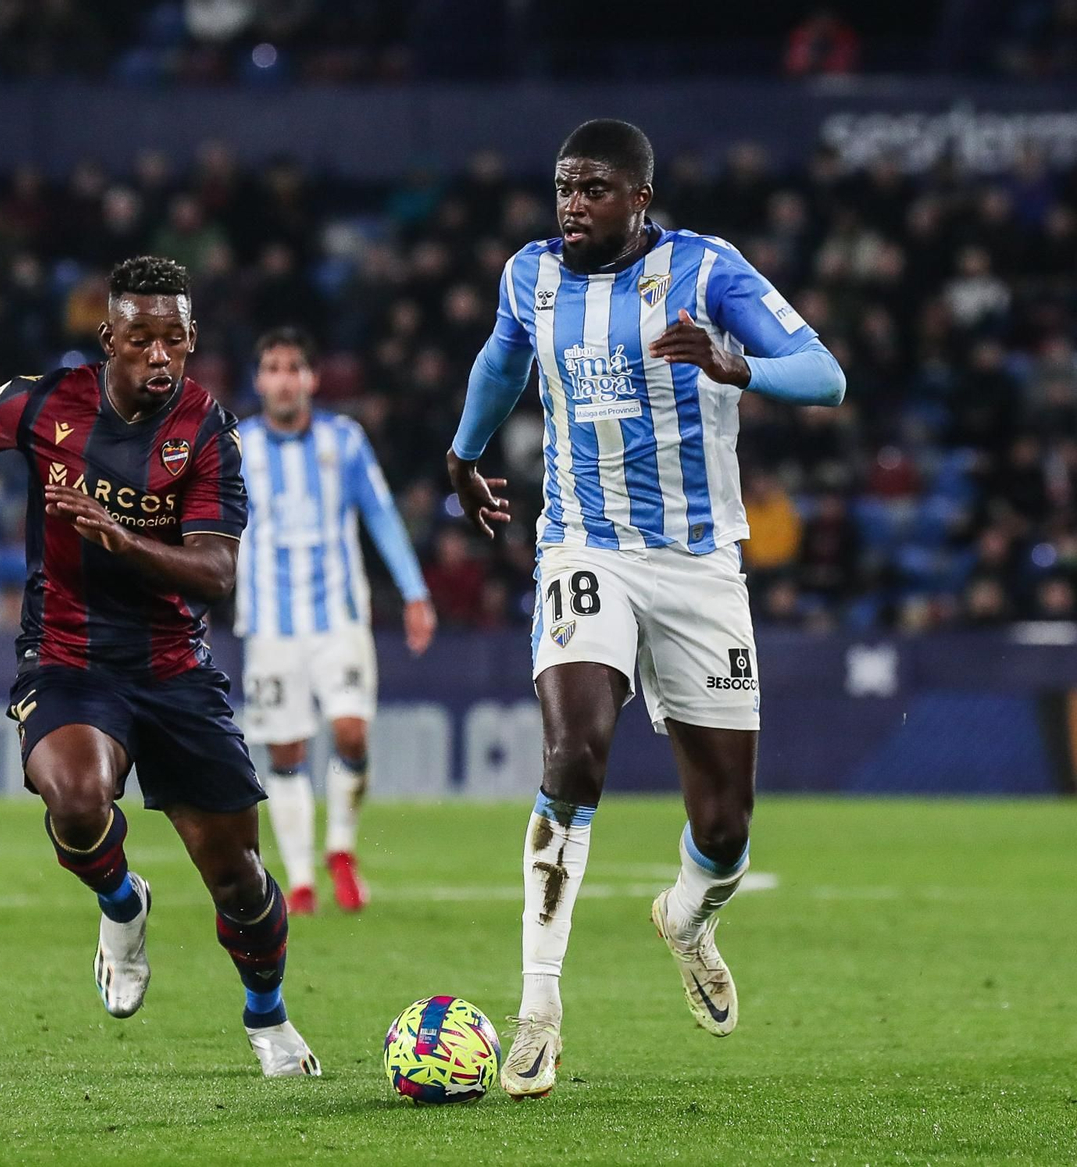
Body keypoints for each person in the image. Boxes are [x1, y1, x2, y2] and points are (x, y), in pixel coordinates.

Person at [0, 256, 320, 1078]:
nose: (160, 357)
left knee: (239, 880)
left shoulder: (209, 432)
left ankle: (269, 1017)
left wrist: (124, 540)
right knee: (78, 798)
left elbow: (217, 573)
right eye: (143, 339)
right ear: (108, 337)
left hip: (175, 669)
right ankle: (123, 902)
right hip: (68, 657)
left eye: (176, 341)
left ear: (192, 343)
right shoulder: (47, 402)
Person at [445, 120, 845, 1099]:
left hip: (700, 567)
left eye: (592, 189)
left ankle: (688, 917)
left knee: (724, 826)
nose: (571, 205)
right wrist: (463, 453)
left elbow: (826, 376)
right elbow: (505, 360)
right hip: (584, 546)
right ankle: (538, 1008)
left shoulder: (710, 273)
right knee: (572, 753)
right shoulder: (528, 276)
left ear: (639, 200)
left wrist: (736, 365)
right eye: (563, 187)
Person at [235, 327, 435, 914]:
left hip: (339, 617)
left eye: (294, 367)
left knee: (351, 731)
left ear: (313, 379)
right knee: (287, 751)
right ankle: (299, 879)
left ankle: (341, 848)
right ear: (258, 380)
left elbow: (380, 514)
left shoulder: (343, 441)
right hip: (269, 623)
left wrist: (415, 592)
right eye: (272, 367)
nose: (284, 378)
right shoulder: (238, 447)